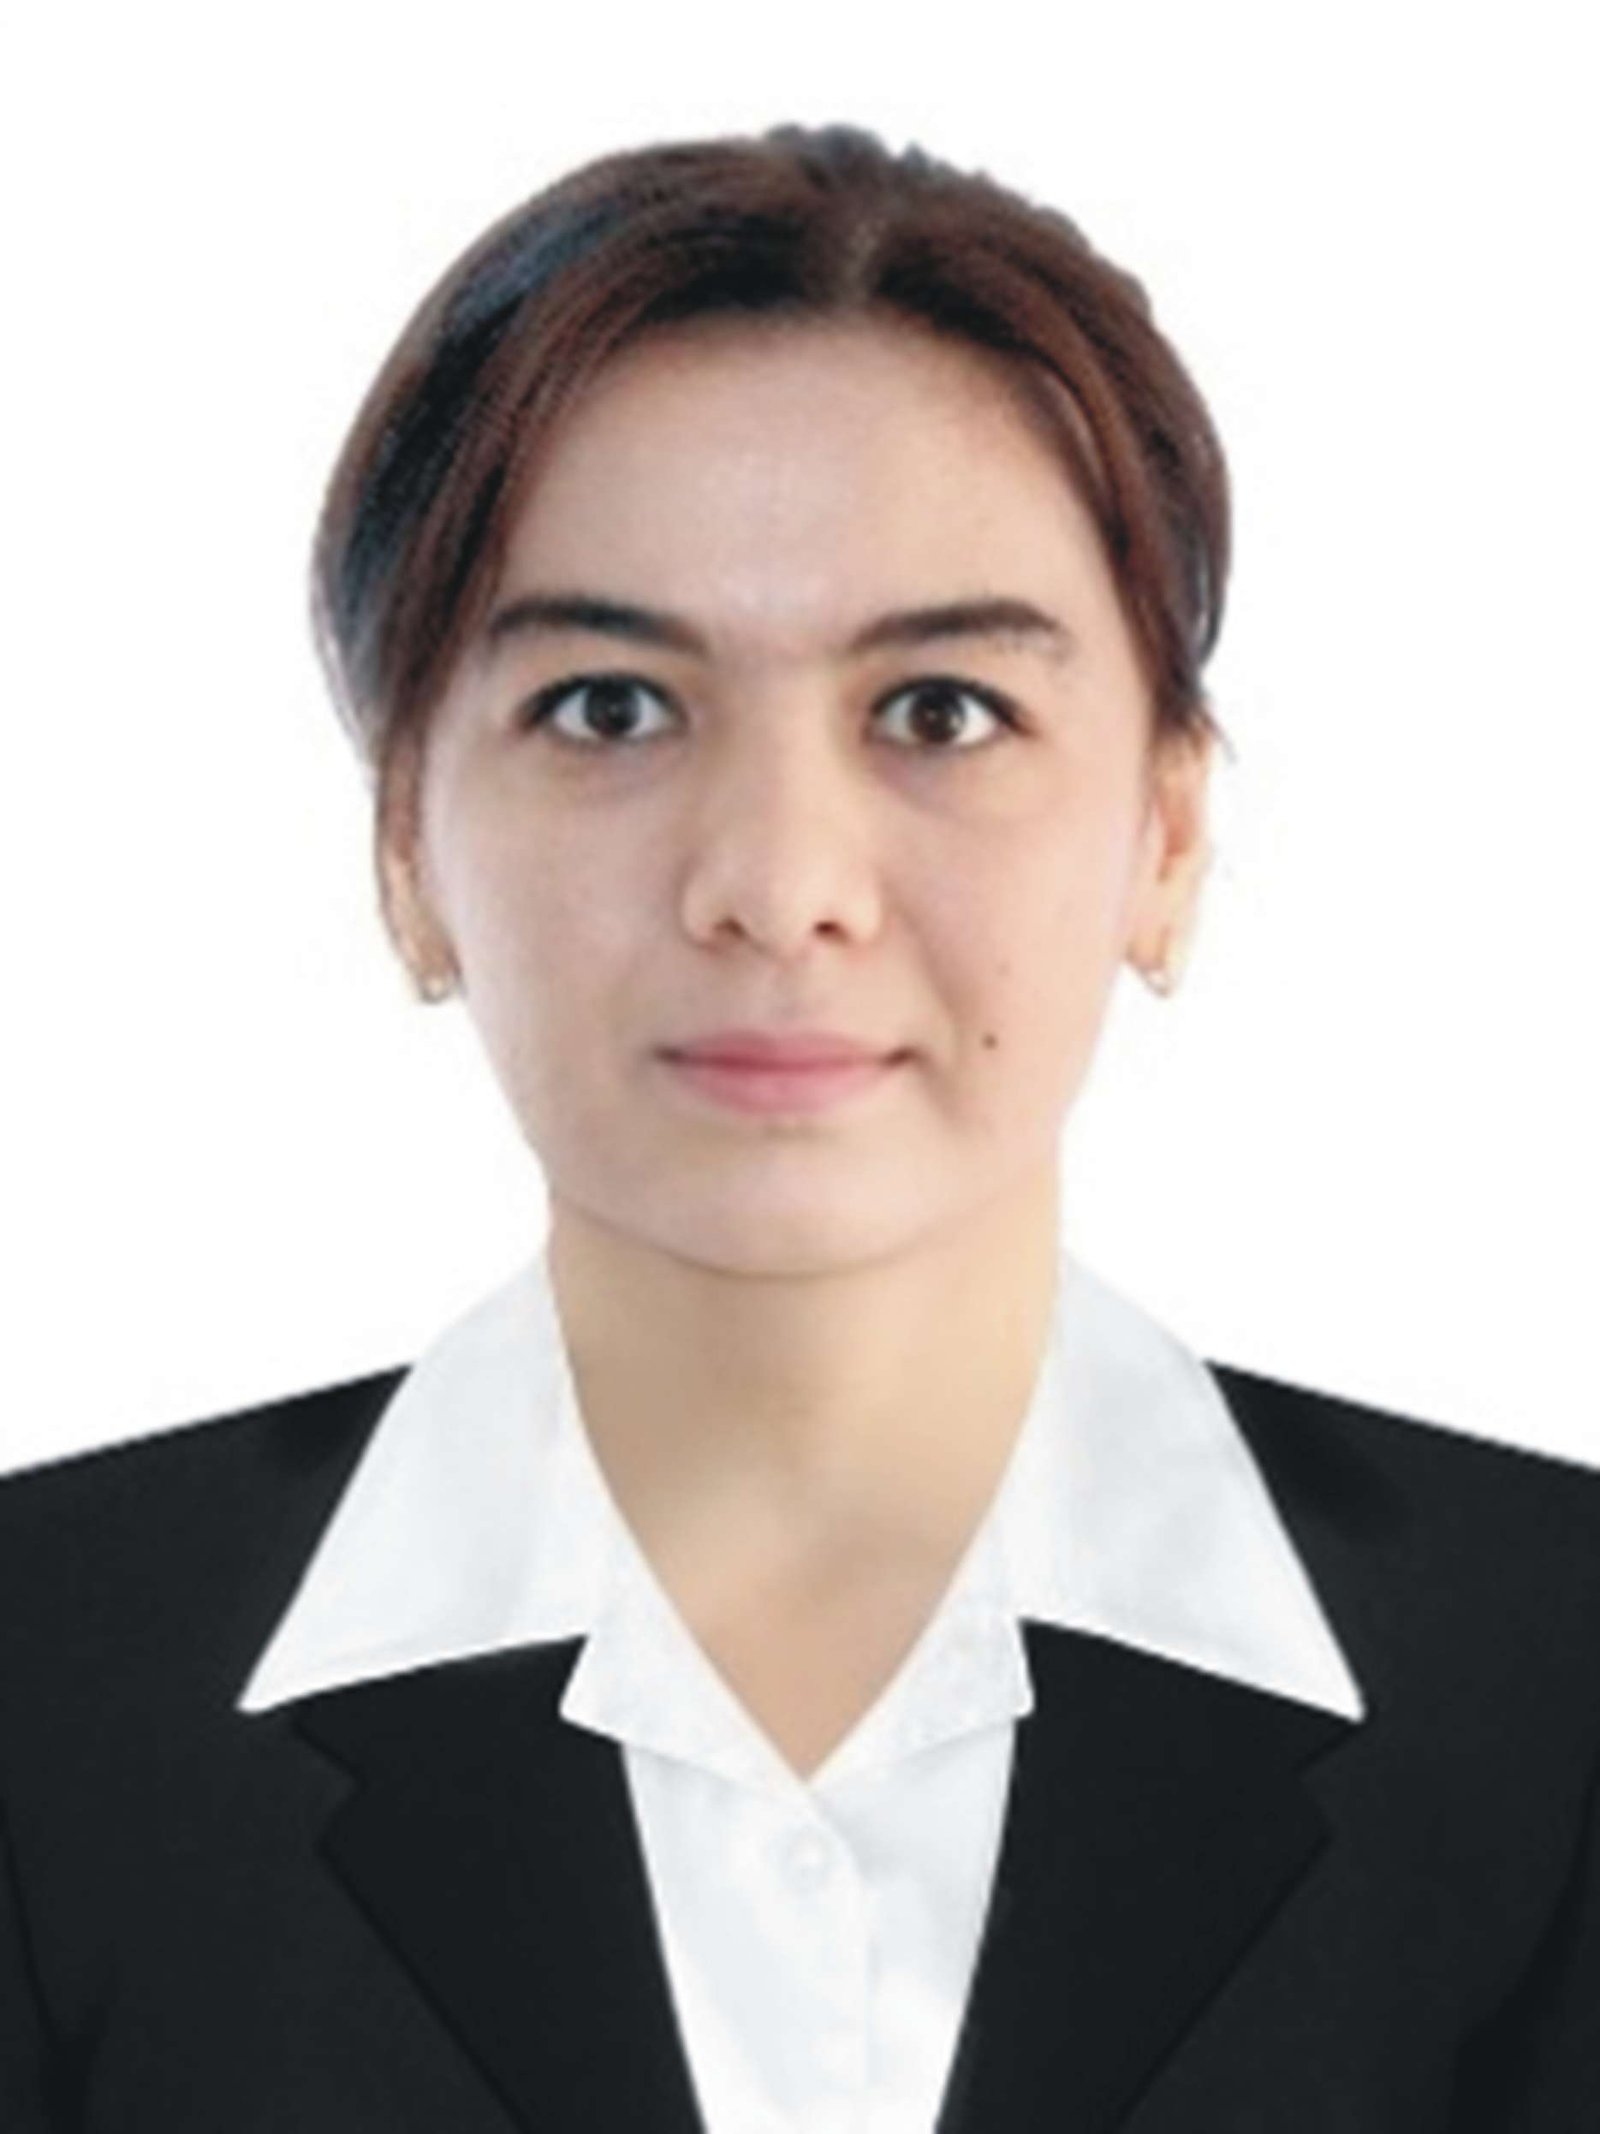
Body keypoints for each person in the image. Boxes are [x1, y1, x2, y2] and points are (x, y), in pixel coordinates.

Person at [1, 120, 1596, 2134]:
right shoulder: (43, 1689)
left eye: (938, 709)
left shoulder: (1553, 1686)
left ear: (1167, 832)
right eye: (608, 705)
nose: (775, 883)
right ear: (407, 843)